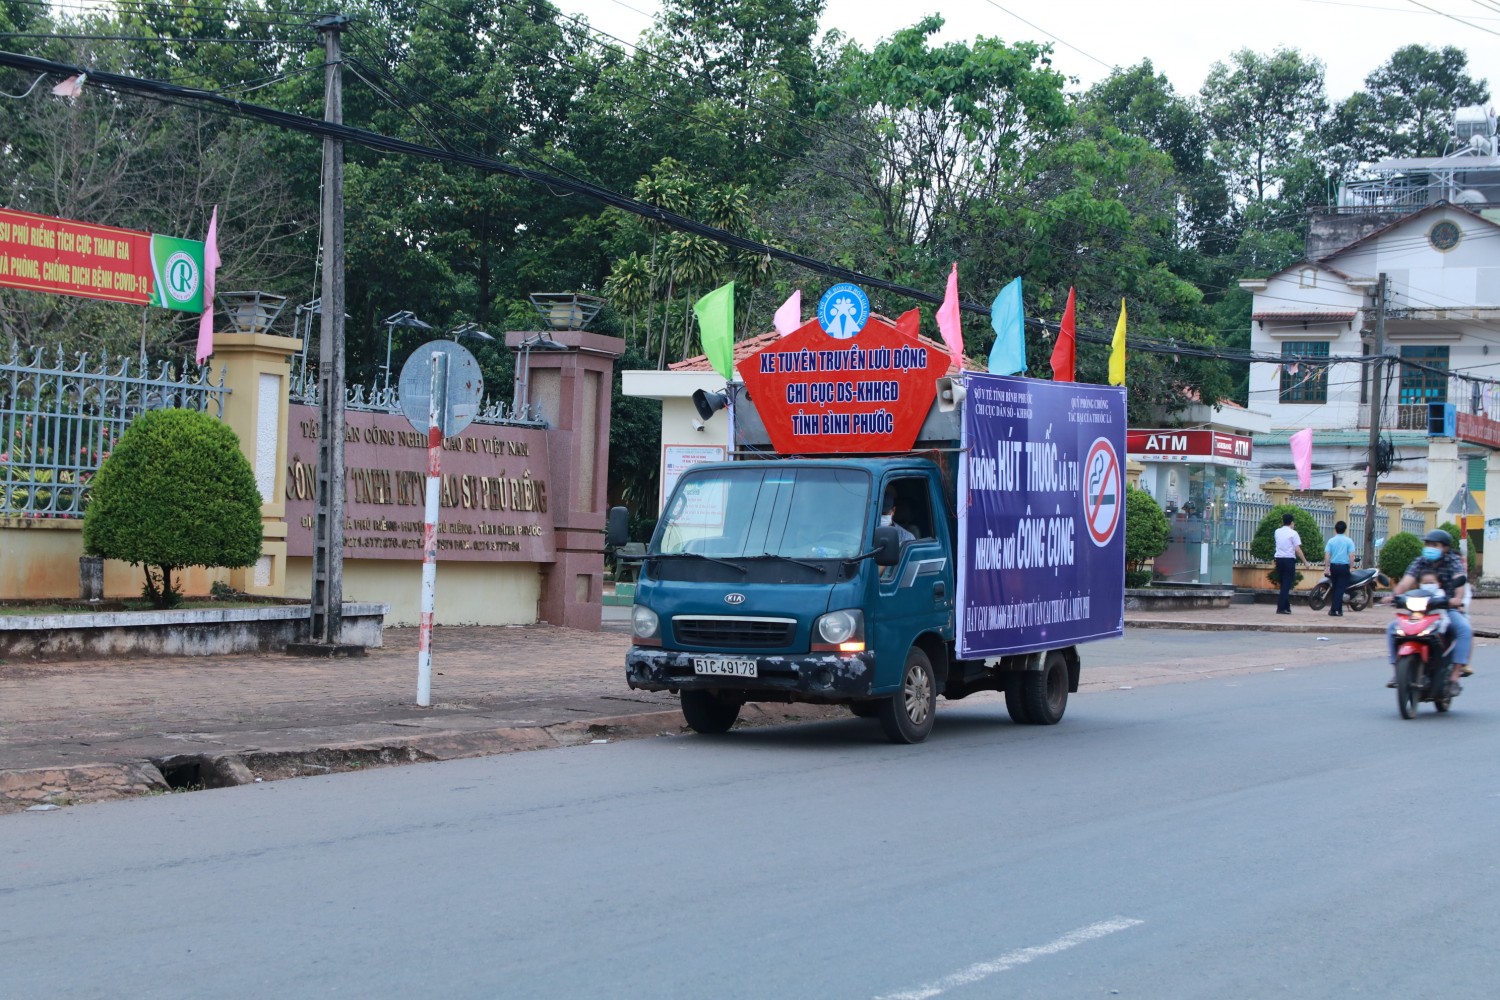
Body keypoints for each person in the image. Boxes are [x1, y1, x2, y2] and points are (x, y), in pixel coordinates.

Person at [1388, 529, 1472, 693]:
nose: (1430, 548)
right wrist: (1394, 596)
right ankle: (1397, 672)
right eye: (1427, 544)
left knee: (1464, 629)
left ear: (1445, 548)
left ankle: (1454, 677)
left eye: (1435, 545)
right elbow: (1406, 582)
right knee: (1393, 628)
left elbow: (1459, 582)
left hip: (1446, 607)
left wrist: (1457, 599)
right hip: (1422, 606)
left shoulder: (1453, 561)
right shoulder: (1420, 561)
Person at [1273, 512, 1306, 615]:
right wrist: (1305, 561)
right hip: (1288, 560)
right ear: (1292, 522)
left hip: (1279, 559)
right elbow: (1297, 549)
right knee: (1287, 584)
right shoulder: (1293, 533)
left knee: (1283, 584)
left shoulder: (1277, 531)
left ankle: (1286, 607)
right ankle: (1281, 607)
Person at [1324, 520, 1356, 616]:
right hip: (1344, 567)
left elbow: (1327, 555)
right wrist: (1351, 567)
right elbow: (1351, 555)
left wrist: (1326, 567)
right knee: (1340, 589)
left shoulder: (1331, 541)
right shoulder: (1349, 541)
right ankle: (1334, 610)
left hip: (1334, 566)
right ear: (1345, 529)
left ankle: (1339, 609)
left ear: (1336, 529)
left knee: (1335, 587)